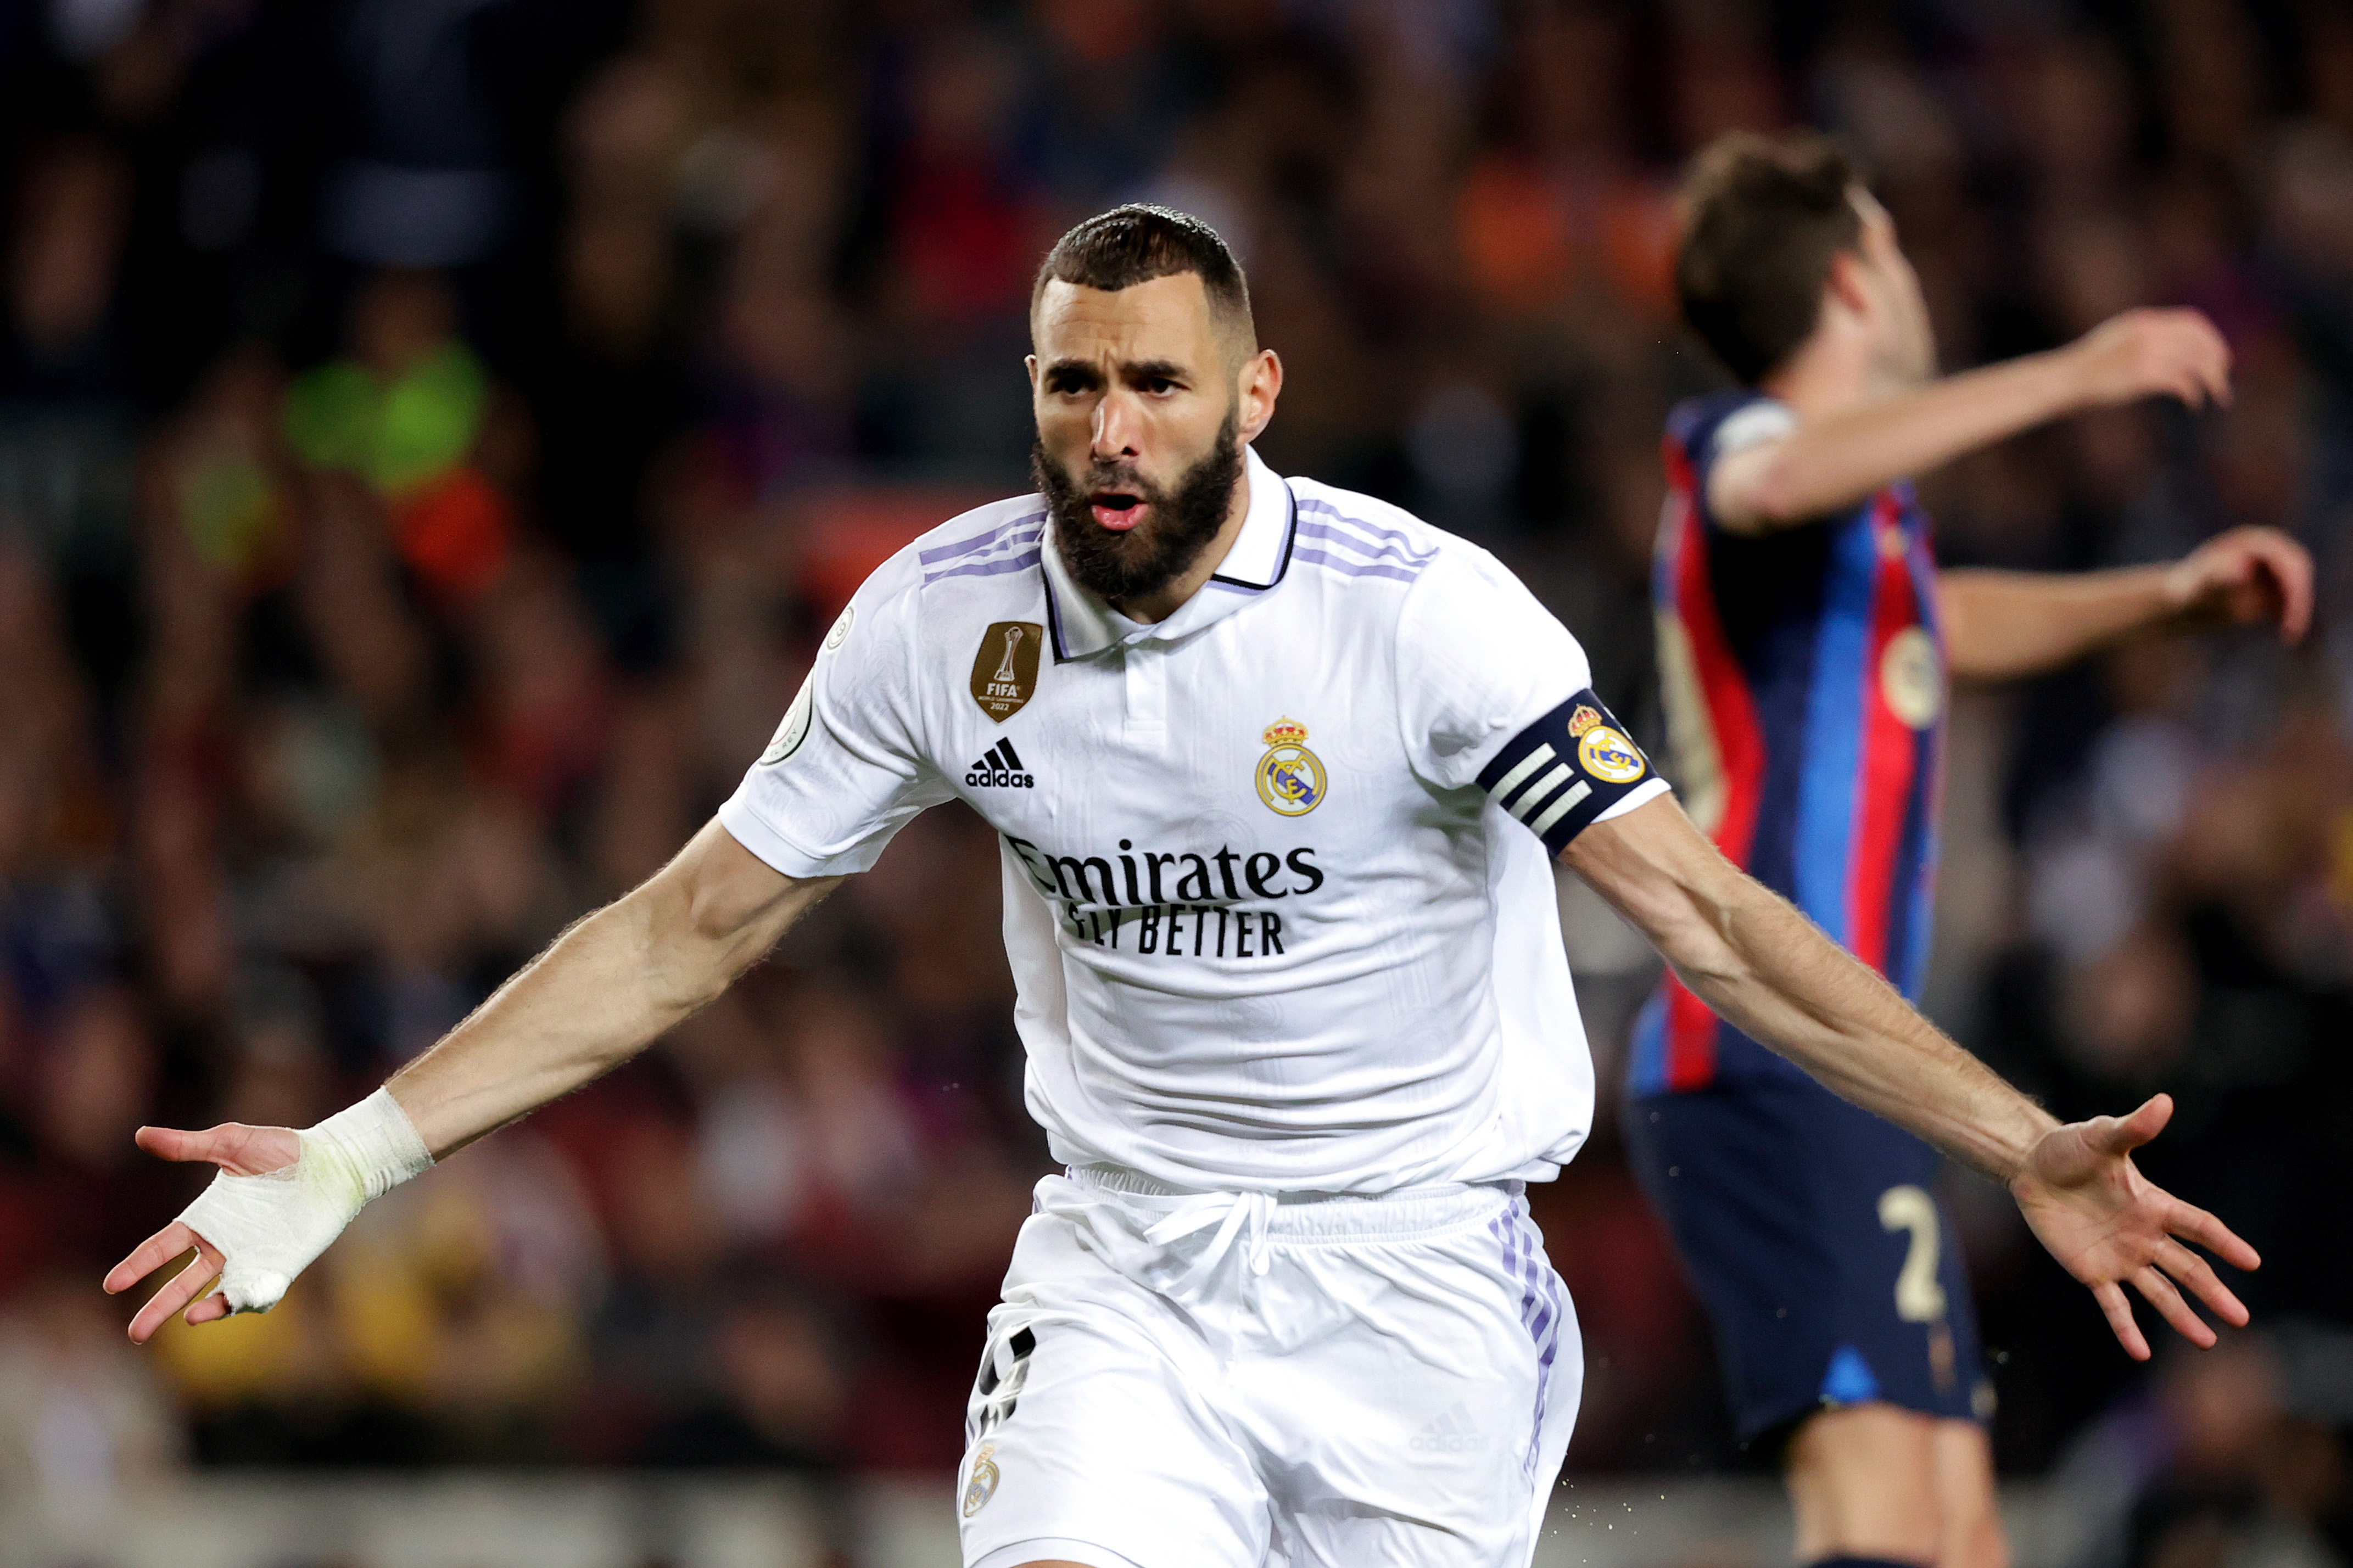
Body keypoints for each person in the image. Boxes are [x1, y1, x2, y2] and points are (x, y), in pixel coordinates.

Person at [108, 206, 2260, 1568]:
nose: (1111, 427)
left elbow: (1701, 912)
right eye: (1073, 382)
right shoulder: (935, 622)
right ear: (1031, 394)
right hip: (1127, 1271)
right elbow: (684, 929)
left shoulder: (1425, 616)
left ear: (1253, 393)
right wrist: (352, 1161)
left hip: (1419, 1285)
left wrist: (2015, 1142)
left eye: (1154, 381)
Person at [1631, 132, 2312, 1568]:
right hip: (1769, 1045)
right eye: (1891, 243)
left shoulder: (1863, 538)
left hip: (1870, 1070)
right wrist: (2073, 373)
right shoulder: (1741, 446)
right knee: (1882, 1521)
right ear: (1851, 279)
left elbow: (1943, 620)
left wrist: (2167, 600)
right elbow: (1775, 481)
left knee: (1958, 1533)